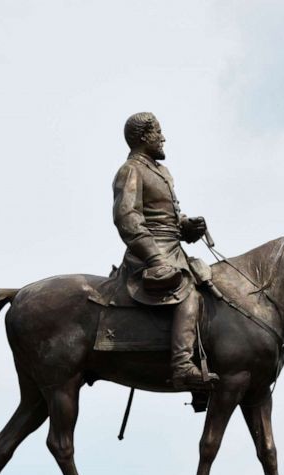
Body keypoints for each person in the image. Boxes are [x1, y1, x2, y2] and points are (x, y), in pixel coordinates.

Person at [112, 112, 219, 389]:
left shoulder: (161, 172)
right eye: (158, 132)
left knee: (212, 287)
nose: (163, 138)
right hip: (149, 252)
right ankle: (182, 366)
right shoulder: (131, 170)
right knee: (188, 293)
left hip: (174, 249)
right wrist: (155, 257)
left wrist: (187, 227)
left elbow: (168, 219)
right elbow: (128, 218)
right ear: (143, 136)